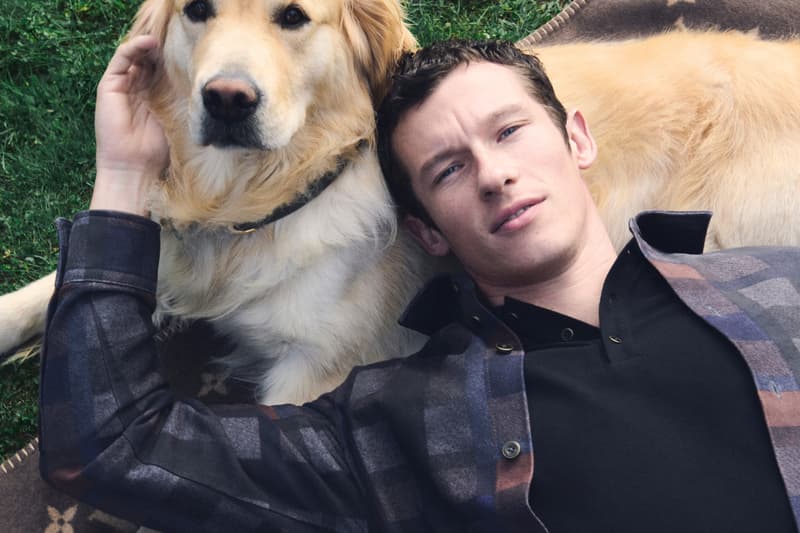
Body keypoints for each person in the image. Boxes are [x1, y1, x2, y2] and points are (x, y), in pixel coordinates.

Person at [38, 35, 799, 533]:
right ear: (427, 232)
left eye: (509, 131)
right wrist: (125, 176)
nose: (495, 174)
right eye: (448, 169)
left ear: (577, 138)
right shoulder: (405, 413)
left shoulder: (771, 275)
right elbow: (116, 448)